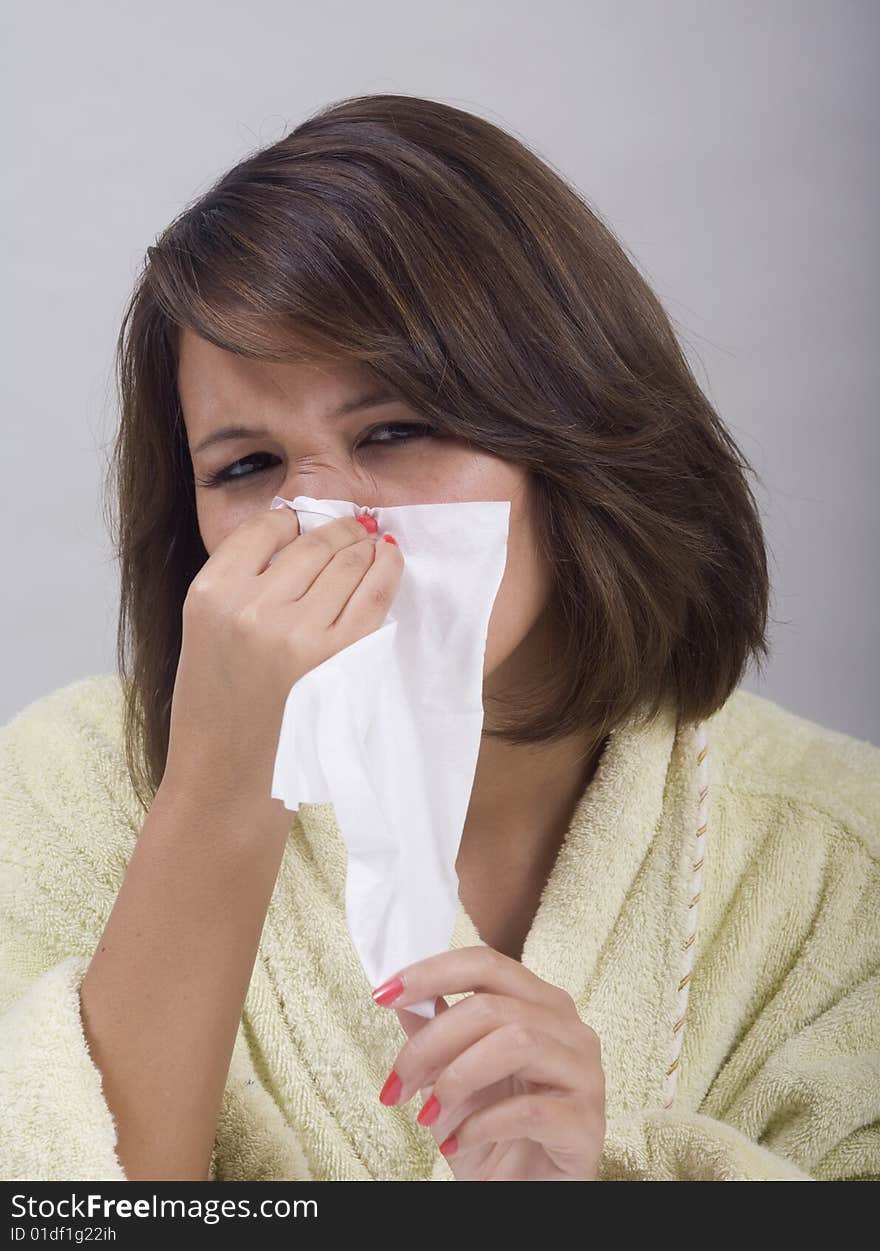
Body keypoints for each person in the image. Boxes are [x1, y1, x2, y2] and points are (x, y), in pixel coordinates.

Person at [1, 93, 877, 1183]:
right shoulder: (67, 790)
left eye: (396, 430)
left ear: (569, 429)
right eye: (246, 467)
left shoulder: (844, 861)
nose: (324, 515)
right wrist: (218, 788)